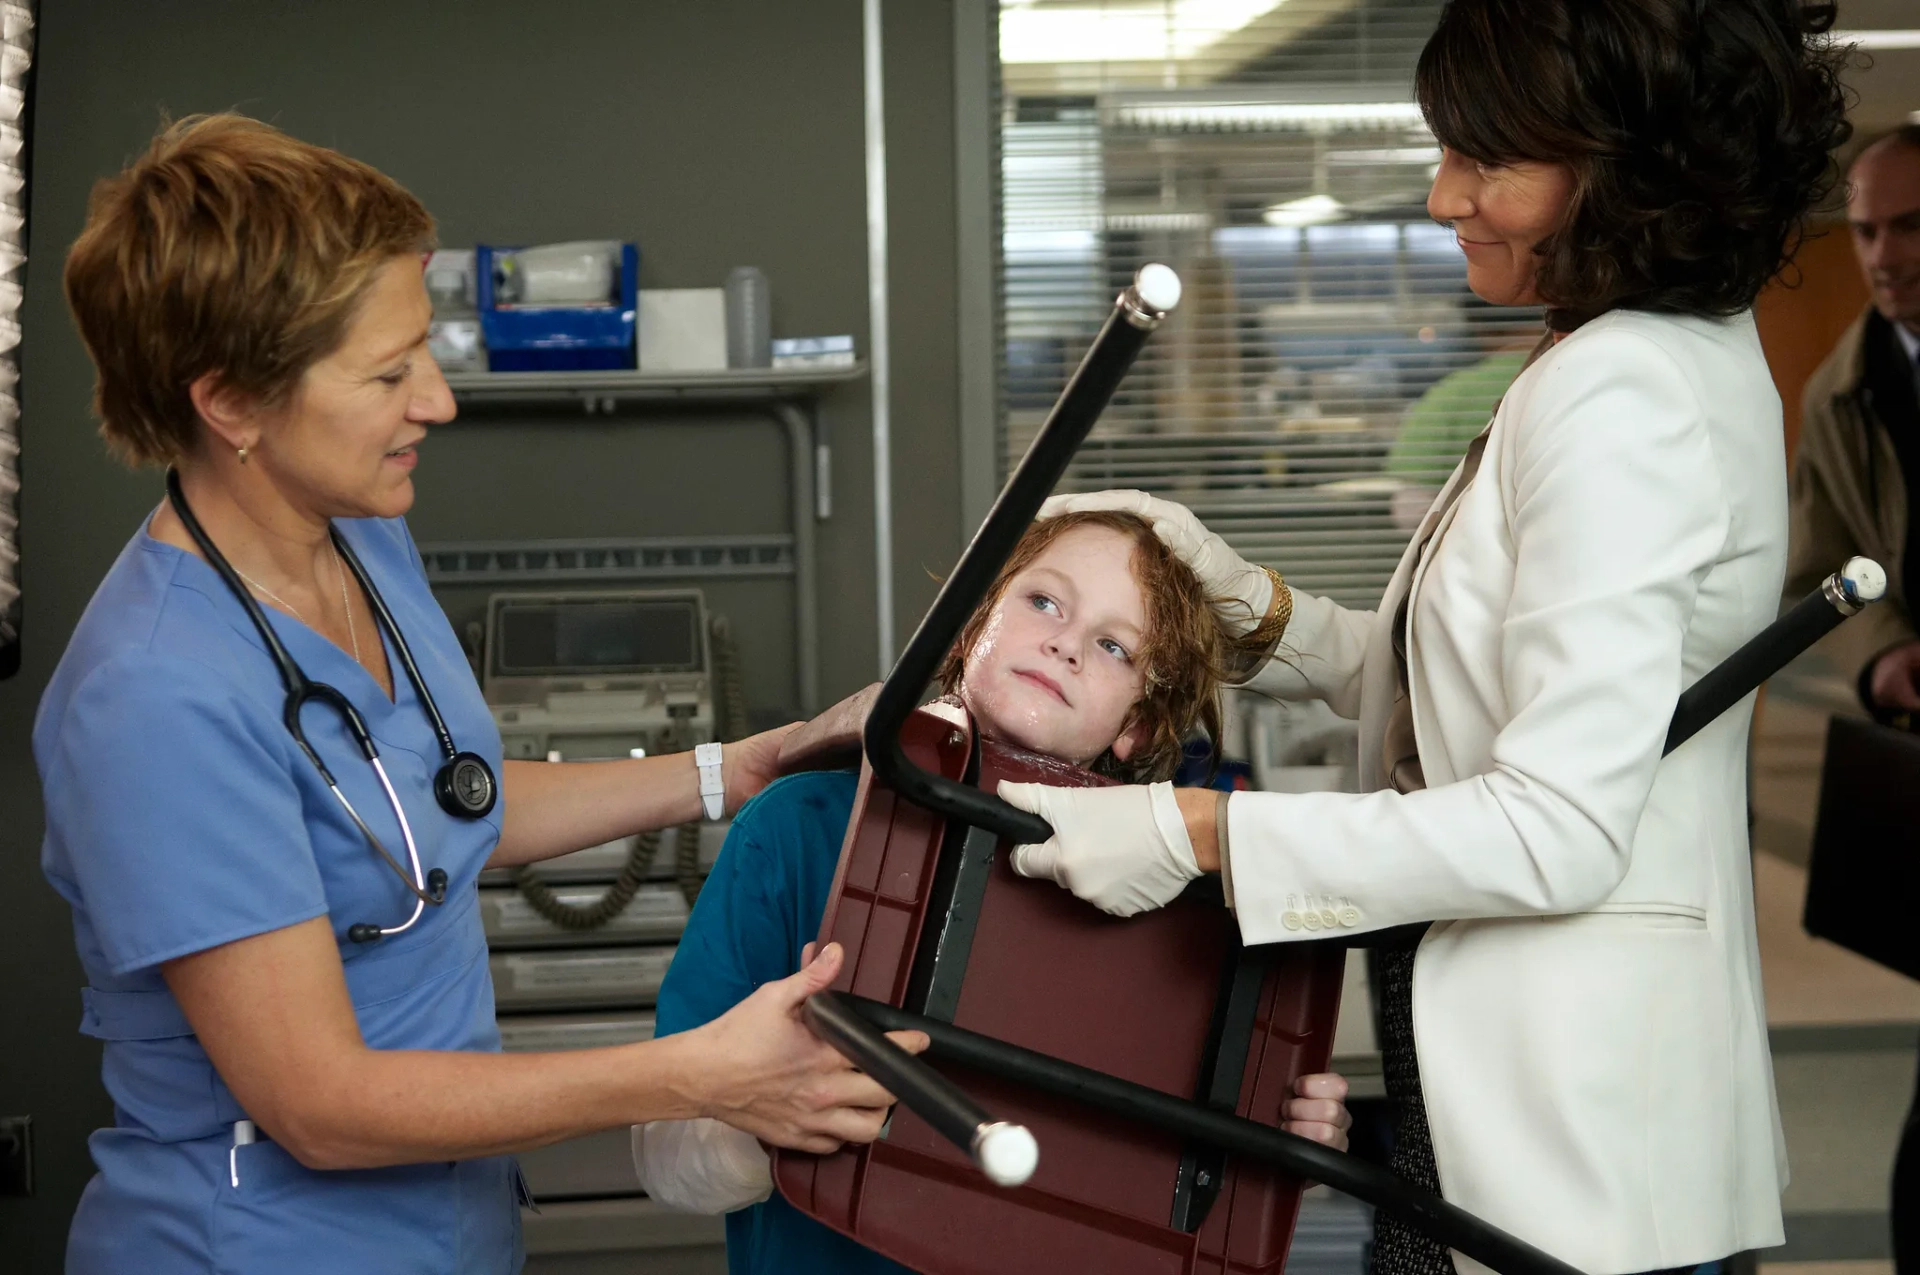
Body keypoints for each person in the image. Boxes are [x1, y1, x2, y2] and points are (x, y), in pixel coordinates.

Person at [998, 2, 1852, 1273]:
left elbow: (1553, 825)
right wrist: (1252, 608)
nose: (1444, 194)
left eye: (1487, 158)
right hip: (1517, 1087)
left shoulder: (1624, 392)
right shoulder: (1628, 353)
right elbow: (1480, 689)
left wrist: (1193, 829)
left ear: (1629, 172)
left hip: (1575, 1128)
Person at [35, 114, 920, 1275]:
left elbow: (444, 805)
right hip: (260, 1244)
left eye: (429, 350)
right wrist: (692, 1072)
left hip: (449, 1229)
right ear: (233, 405)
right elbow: (322, 1103)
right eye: (390, 372)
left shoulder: (358, 535)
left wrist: (733, 767)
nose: (439, 403)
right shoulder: (153, 698)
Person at [632, 509, 1356, 1274]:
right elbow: (663, 1159)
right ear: (971, 625)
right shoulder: (797, 829)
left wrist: (1280, 1148)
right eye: (1045, 601)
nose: (1066, 644)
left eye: (1113, 646)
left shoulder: (1196, 907)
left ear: (1136, 727)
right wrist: (773, 1108)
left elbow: (1184, 1206)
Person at [1783, 125, 1920, 1274]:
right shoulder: (1842, 386)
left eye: (1909, 226)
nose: (1884, 254)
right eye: (1867, 228)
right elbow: (1816, 564)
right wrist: (1880, 655)